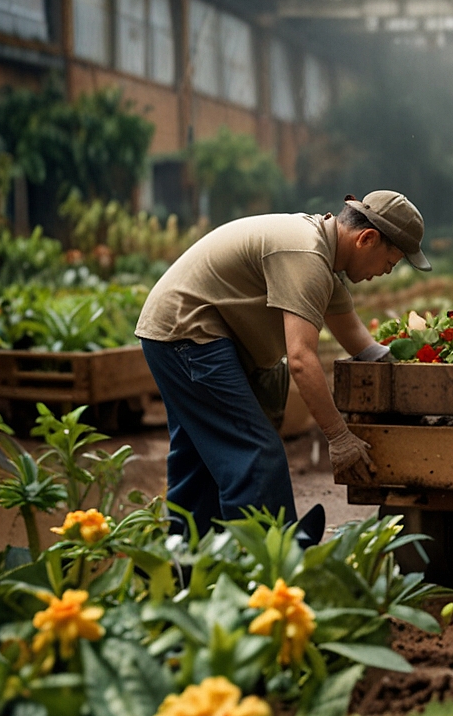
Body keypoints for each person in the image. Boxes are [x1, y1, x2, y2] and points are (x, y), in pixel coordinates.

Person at [135, 190, 429, 540]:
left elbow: (364, 347)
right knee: (256, 454)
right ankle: (273, 565)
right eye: (390, 262)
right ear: (367, 239)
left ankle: (184, 561)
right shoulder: (307, 257)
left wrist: (421, 377)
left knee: (200, 460)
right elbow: (302, 360)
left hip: (178, 332)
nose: (385, 272)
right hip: (188, 334)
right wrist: (338, 436)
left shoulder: (323, 258)